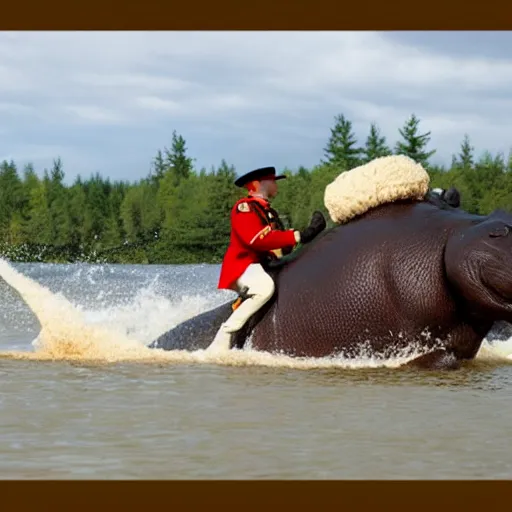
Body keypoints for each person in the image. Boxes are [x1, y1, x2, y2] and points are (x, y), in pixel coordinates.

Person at [206, 166, 326, 353]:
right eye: (272, 180)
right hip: (244, 265)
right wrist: (298, 236)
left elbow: (280, 246)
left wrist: (309, 234)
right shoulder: (244, 207)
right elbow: (254, 239)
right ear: (258, 184)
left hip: (263, 264)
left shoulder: (268, 212)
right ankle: (225, 334)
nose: (275, 184)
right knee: (264, 289)